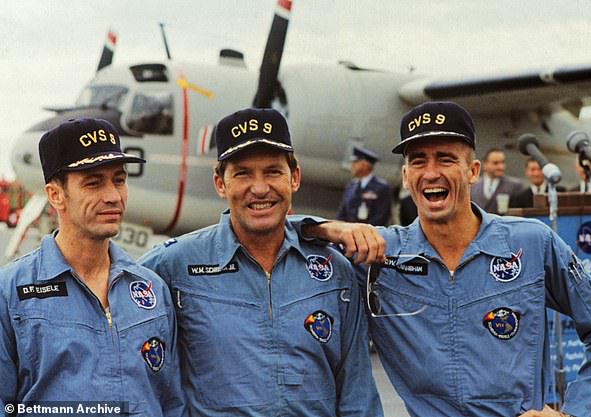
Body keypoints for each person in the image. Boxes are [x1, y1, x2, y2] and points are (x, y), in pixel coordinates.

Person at [303, 101, 591, 417]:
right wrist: (328, 226)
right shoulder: (379, 255)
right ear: (405, 176)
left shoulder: (531, 242)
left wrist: (573, 413)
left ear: (472, 171)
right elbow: (278, 232)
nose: (430, 173)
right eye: (418, 161)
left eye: (445, 159)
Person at [139, 108, 382, 417]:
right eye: (242, 173)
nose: (259, 188)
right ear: (220, 183)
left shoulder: (334, 270)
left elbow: (357, 393)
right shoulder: (174, 265)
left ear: (294, 177)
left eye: (272, 171)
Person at [0, 118, 184, 416]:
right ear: (55, 194)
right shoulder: (11, 293)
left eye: (119, 180)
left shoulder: (151, 289)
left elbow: (172, 402)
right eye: (93, 182)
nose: (112, 195)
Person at [336, 145, 392, 226]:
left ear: (365, 165)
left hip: (369, 234)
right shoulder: (351, 186)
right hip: (348, 234)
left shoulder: (382, 188)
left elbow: (381, 216)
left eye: (355, 162)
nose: (352, 166)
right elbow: (341, 213)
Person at [471, 147, 523, 214]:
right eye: (496, 163)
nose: (501, 167)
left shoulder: (515, 185)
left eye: (502, 162)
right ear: (485, 164)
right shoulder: (473, 186)